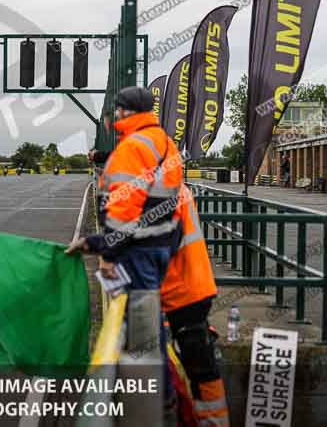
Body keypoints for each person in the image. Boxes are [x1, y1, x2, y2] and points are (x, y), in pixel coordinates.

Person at [66, 85, 183, 405]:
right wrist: (93, 241)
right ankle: (157, 393)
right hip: (158, 245)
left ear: (127, 111)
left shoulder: (132, 148)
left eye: (117, 109)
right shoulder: (165, 143)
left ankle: (154, 398)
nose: (114, 115)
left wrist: (106, 253)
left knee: (142, 324)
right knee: (147, 318)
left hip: (137, 251)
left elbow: (122, 212)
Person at [162, 185, 230, 427]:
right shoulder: (176, 187)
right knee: (201, 366)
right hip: (192, 287)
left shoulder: (158, 191)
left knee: (197, 368)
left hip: (180, 293)